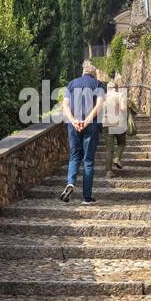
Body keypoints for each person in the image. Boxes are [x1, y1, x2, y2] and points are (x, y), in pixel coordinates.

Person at [60, 60, 105, 204]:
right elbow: (99, 105)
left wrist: (73, 120)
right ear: (94, 74)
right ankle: (87, 197)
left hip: (73, 125)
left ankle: (71, 182)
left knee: (74, 156)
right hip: (90, 125)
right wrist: (87, 121)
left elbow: (65, 105)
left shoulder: (72, 84)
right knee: (88, 160)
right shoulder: (98, 84)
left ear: (83, 72)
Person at [103, 78, 136, 178]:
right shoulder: (121, 95)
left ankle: (109, 171)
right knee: (121, 143)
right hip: (119, 123)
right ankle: (117, 158)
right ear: (116, 88)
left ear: (108, 89)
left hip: (107, 123)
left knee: (109, 149)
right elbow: (122, 108)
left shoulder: (104, 96)